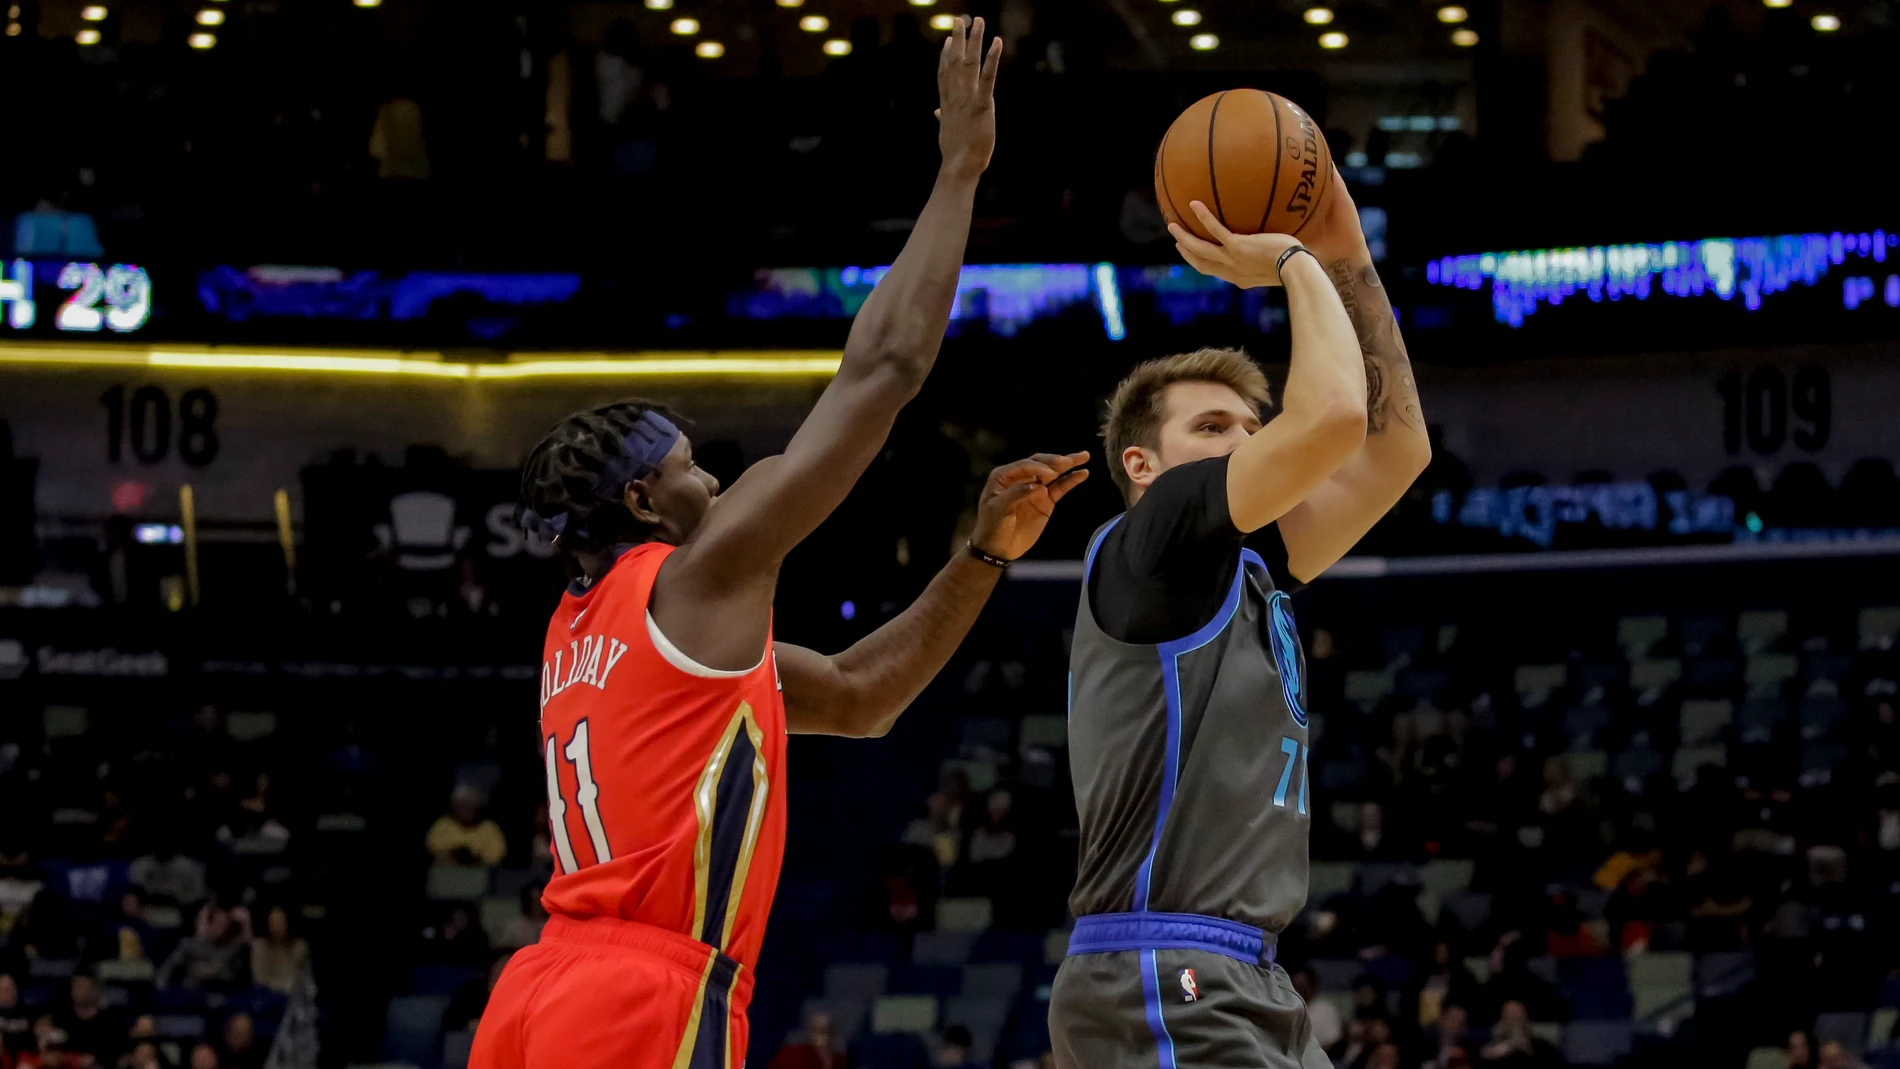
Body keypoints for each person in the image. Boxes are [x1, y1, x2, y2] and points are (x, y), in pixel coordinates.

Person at [471, 23, 1081, 1069]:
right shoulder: (696, 573)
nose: (714, 480)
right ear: (643, 500)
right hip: (643, 993)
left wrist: (981, 554)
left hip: (539, 988)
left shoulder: (585, 629)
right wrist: (959, 171)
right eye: (688, 467)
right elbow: (884, 369)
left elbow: (861, 695)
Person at [1051, 170, 1430, 1069]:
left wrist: (1349, 255)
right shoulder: (1155, 533)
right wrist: (1296, 261)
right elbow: (1333, 416)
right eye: (1214, 427)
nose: (1246, 443)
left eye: (1254, 428)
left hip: (1245, 970)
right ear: (1142, 465)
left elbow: (1397, 448)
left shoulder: (1252, 566)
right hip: (1161, 966)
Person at [426, 786, 508, 867]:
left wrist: (473, 858)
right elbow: (433, 847)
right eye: (462, 805)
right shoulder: (443, 824)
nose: (466, 810)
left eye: (470, 805)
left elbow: (496, 856)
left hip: (479, 871)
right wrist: (454, 853)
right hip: (446, 870)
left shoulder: (489, 828)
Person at [250, 906, 310, 995]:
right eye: (273, 922)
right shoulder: (258, 946)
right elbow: (259, 979)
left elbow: (291, 982)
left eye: (281, 922)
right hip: (264, 995)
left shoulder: (299, 947)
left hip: (293, 996)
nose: (276, 927)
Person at [765, 1009, 845, 1069]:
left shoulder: (840, 1060)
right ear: (809, 1031)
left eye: (828, 1031)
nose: (823, 1037)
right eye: (817, 1030)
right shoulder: (791, 1055)